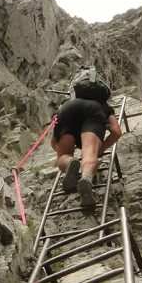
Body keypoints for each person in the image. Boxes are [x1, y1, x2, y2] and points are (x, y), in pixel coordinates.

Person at [52, 69, 122, 207]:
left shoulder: (67, 102)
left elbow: (53, 142)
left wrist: (61, 152)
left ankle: (69, 161)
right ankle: (86, 178)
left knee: (63, 157)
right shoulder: (104, 104)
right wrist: (100, 149)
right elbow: (116, 131)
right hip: (93, 111)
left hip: (67, 111)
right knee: (89, 154)